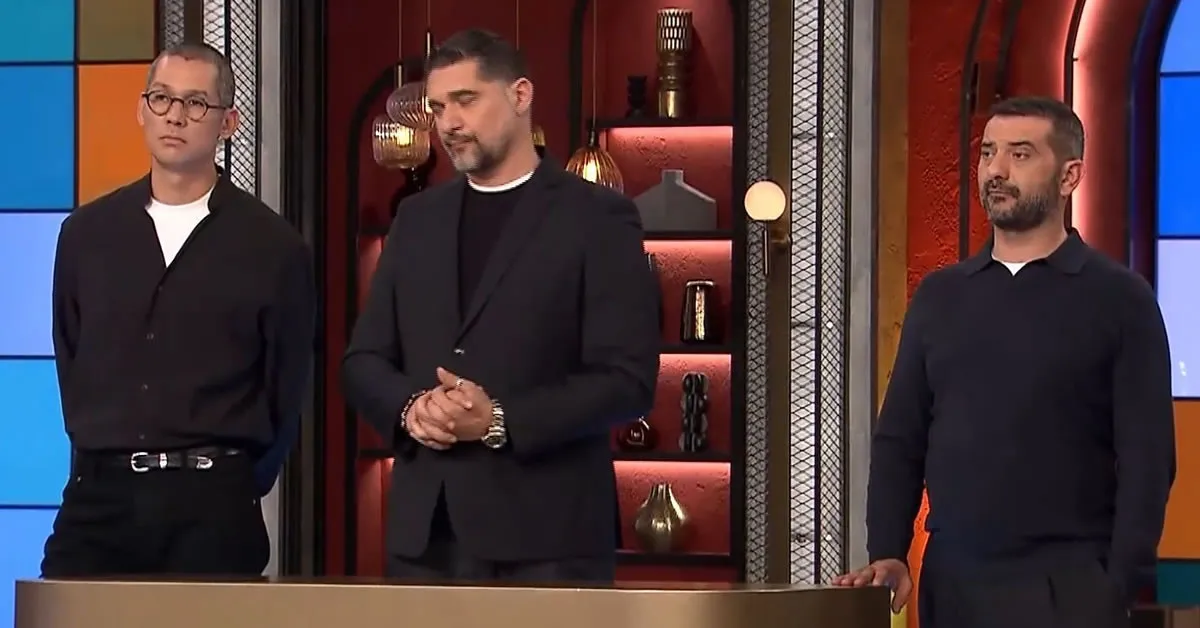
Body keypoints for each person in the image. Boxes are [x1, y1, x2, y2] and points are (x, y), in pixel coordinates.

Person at [833, 96, 1175, 628]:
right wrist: (890, 551)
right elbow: (901, 438)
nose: (996, 169)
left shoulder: (1119, 299)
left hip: (1070, 584)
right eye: (988, 152)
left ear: (1070, 176)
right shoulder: (941, 297)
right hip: (953, 581)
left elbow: (1147, 459)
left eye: (1020, 154)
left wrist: (1117, 584)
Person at [341, 29, 660, 583]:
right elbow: (363, 361)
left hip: (550, 540)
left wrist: (498, 420)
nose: (448, 123)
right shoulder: (416, 220)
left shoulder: (597, 217)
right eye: (438, 107)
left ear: (520, 95)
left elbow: (626, 380)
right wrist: (411, 408)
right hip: (425, 538)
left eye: (465, 100)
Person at [41, 42, 315, 577]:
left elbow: (286, 385)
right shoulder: (86, 235)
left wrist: (239, 480)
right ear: (142, 109)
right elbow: (71, 355)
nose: (175, 116)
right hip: (98, 502)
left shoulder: (274, 247)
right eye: (162, 98)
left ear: (228, 122)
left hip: (214, 505)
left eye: (195, 103)